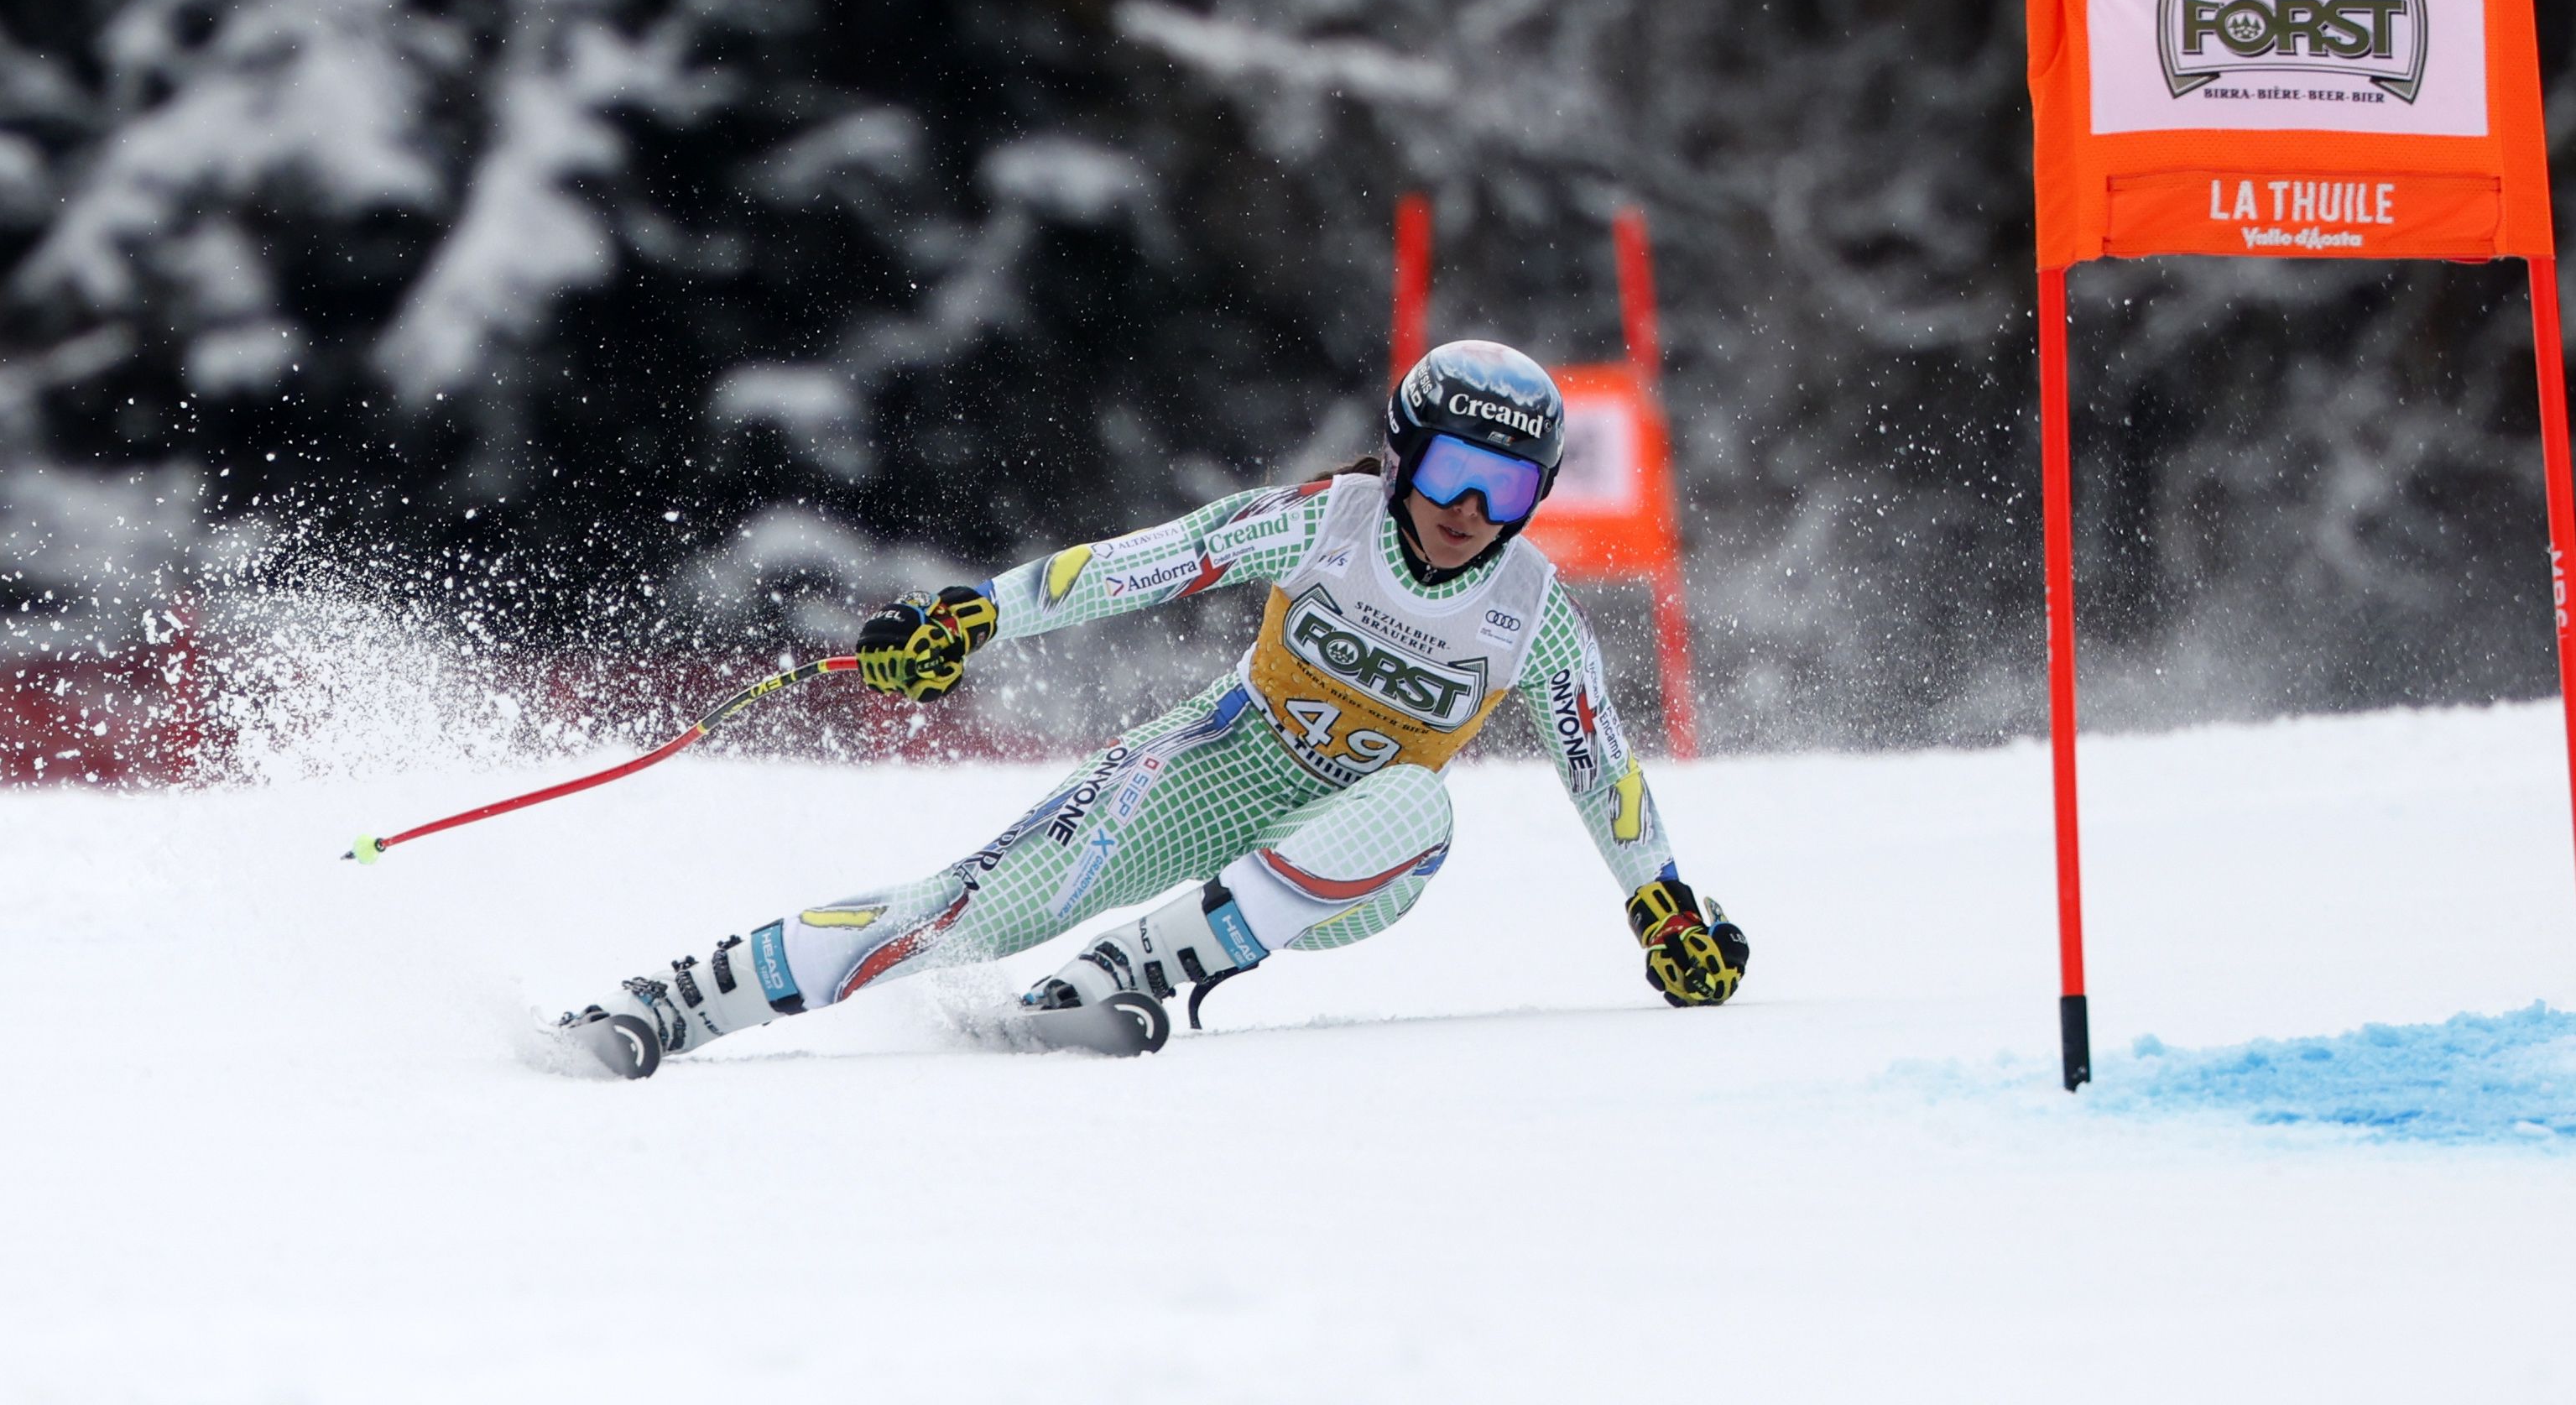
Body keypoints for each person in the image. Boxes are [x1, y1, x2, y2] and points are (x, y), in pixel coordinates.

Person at [562, 340, 1749, 1077]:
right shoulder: (1321, 521)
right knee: (969, 910)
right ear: (1401, 457)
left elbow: (1602, 768)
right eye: (1446, 474)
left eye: (1502, 491)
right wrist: (974, 621)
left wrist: (1661, 906)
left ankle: (1139, 967)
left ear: (1537, 498)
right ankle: (674, 1005)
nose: (1465, 512)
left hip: (1351, 865)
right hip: (1214, 767)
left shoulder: (1534, 615)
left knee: (1416, 801)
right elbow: (1139, 564)